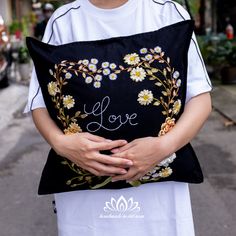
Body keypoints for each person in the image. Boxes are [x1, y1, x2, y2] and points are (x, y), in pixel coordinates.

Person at [24, 0, 212, 235]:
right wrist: (62, 144)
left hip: (161, 196)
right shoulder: (64, 20)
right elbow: (39, 104)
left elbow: (200, 98)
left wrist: (164, 146)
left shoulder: (167, 12)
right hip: (85, 200)